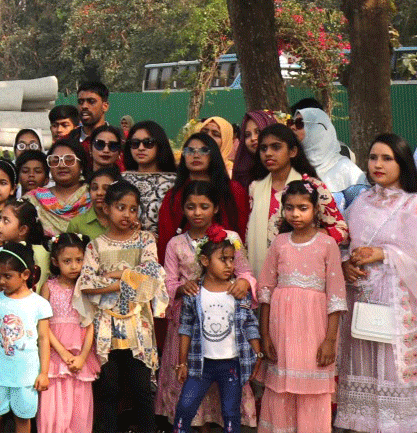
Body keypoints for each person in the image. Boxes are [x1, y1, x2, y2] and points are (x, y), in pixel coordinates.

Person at [336, 133, 417, 433]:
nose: (378, 165)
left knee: (393, 377)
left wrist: (385, 253)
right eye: (373, 157)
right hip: (359, 304)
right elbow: (344, 244)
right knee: (362, 376)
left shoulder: (415, 204)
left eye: (386, 158)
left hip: (397, 305)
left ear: (402, 163)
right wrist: (346, 264)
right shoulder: (361, 201)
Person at [155, 180, 255, 429]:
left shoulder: (230, 238)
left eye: (204, 206)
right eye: (191, 207)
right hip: (188, 324)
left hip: (225, 322)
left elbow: (245, 271)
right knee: (190, 383)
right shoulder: (175, 244)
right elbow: (167, 282)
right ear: (183, 209)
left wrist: (244, 282)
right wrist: (181, 288)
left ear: (216, 208)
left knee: (227, 394)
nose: (197, 213)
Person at [75, 182, 167, 433]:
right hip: (105, 327)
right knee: (108, 389)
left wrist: (114, 276)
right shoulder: (95, 245)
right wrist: (127, 278)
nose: (127, 214)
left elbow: (151, 277)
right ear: (106, 208)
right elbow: (87, 283)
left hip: (139, 326)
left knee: (142, 390)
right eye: (121, 207)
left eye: (133, 209)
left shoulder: (145, 240)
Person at [255, 179, 345, 433]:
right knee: (280, 387)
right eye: (290, 207)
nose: (295, 214)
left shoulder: (327, 244)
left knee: (312, 390)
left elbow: (336, 297)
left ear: (315, 209)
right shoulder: (280, 243)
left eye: (303, 208)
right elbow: (265, 291)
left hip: (314, 331)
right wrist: (264, 335)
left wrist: (330, 340)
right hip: (281, 330)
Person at [173, 237, 262, 433]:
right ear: (205, 261)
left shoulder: (238, 292)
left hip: (231, 365)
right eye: (223, 259)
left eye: (231, 259)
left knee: (231, 413)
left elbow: (250, 324)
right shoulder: (194, 293)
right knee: (185, 408)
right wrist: (182, 363)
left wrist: (258, 354)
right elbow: (186, 327)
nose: (229, 265)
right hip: (200, 365)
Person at [246, 124, 348, 273]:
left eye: (276, 147)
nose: (268, 153)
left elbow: (341, 230)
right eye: (263, 148)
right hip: (262, 271)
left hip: (302, 271)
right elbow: (250, 233)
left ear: (293, 151)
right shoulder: (255, 188)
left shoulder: (313, 186)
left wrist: (309, 235)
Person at [0, 240, 52, 433]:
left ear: (25, 274)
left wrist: (44, 373)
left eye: (7, 276)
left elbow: (44, 339)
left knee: (23, 419)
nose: (1, 281)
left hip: (27, 377)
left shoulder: (39, 304)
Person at [156, 132, 249, 260]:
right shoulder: (174, 195)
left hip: (227, 263)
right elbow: (165, 239)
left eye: (203, 150)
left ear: (213, 155)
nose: (196, 155)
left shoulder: (233, 190)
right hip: (183, 267)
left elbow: (242, 230)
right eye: (190, 151)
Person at [39, 233, 97, 433]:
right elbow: (43, 325)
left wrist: (82, 357)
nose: (74, 266)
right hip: (54, 355)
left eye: (79, 260)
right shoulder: (49, 287)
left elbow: (90, 325)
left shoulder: (86, 288)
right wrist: (63, 353)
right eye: (67, 261)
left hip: (80, 357)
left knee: (78, 409)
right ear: (55, 261)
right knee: (53, 409)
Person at [295, 108, 368, 208]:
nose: (293, 127)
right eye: (291, 122)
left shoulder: (346, 169)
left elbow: (362, 211)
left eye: (299, 123)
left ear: (317, 129)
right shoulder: (291, 166)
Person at [121, 121, 178, 231]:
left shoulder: (174, 182)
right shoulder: (120, 180)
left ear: (160, 145)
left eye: (148, 143)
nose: (141, 148)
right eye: (135, 143)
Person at [31, 139, 92, 239]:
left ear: (81, 166)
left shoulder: (93, 196)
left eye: (69, 160)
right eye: (55, 161)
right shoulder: (34, 199)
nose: (61, 165)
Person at [0, 201, 51, 290]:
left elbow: (38, 288)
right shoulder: (1, 250)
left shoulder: (39, 253)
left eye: (6, 221)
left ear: (22, 230)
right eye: (0, 219)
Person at [66, 168, 118, 241]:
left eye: (106, 188)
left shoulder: (123, 221)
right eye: (94, 188)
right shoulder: (77, 224)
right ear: (89, 191)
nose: (99, 193)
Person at [230, 111, 278, 187]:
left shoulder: (285, 170)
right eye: (247, 135)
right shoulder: (241, 173)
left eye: (258, 132)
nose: (253, 138)